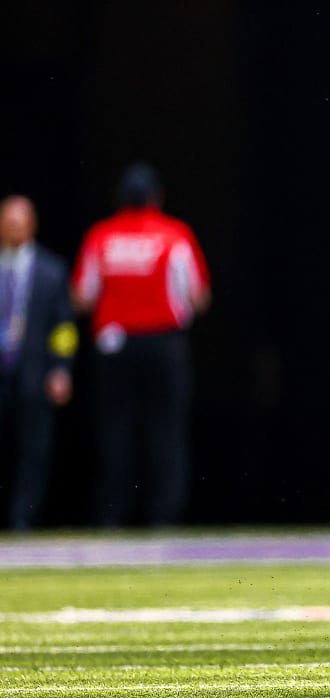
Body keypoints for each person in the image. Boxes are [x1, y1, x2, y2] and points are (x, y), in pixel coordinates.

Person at [71, 164, 211, 527]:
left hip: (115, 347)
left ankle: (113, 514)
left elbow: (82, 298)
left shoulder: (101, 237)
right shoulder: (174, 236)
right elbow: (198, 297)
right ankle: (165, 514)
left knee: (116, 430)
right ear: (157, 197)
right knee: (166, 429)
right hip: (163, 345)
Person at [0, 196, 76, 530]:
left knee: (34, 450)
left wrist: (60, 368)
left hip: (33, 372)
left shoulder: (52, 271)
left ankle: (23, 518)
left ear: (32, 225)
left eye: (20, 222)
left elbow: (64, 327)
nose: (14, 228)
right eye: (8, 221)